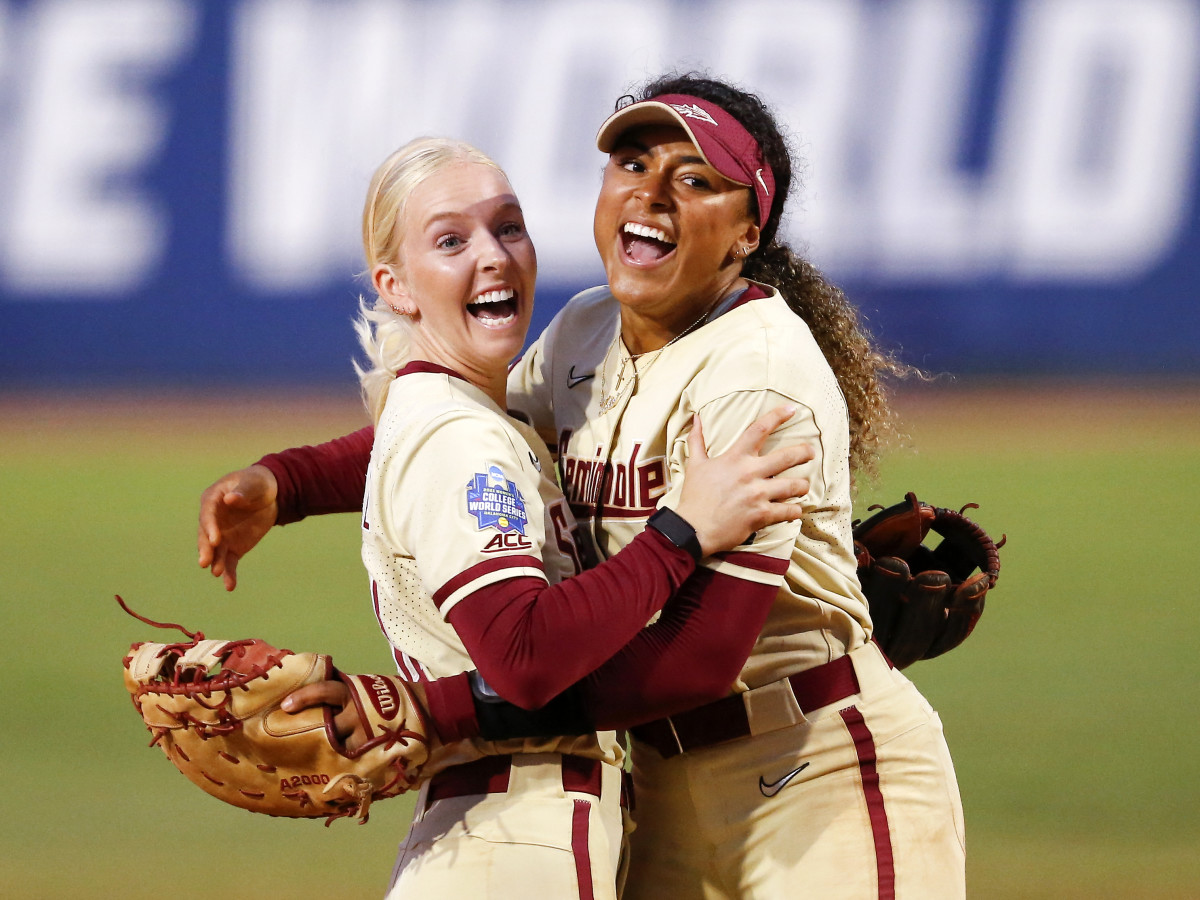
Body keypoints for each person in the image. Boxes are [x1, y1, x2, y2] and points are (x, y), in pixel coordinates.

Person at [200, 76, 966, 899]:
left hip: (813, 775)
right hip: (661, 782)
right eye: (634, 163)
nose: (654, 194)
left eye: (697, 179)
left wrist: (441, 709)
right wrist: (288, 483)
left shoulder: (758, 376)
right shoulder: (584, 332)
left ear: (747, 233)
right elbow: (465, 434)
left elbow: (701, 662)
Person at [240, 134, 810, 899]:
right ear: (397, 285)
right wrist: (681, 533)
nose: (494, 256)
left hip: (482, 835)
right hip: (517, 843)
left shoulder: (463, 414)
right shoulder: (462, 436)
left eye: (508, 227)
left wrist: (289, 482)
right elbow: (523, 654)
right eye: (451, 240)